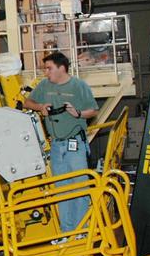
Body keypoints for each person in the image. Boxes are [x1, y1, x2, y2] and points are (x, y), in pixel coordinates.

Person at [23, 51, 98, 235]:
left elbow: (93, 110)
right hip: (57, 146)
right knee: (62, 190)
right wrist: (40, 107)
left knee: (80, 186)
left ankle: (82, 230)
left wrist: (78, 113)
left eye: (49, 68)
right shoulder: (44, 86)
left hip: (75, 145)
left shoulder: (79, 86)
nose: (46, 72)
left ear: (61, 67)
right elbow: (27, 102)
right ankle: (67, 232)